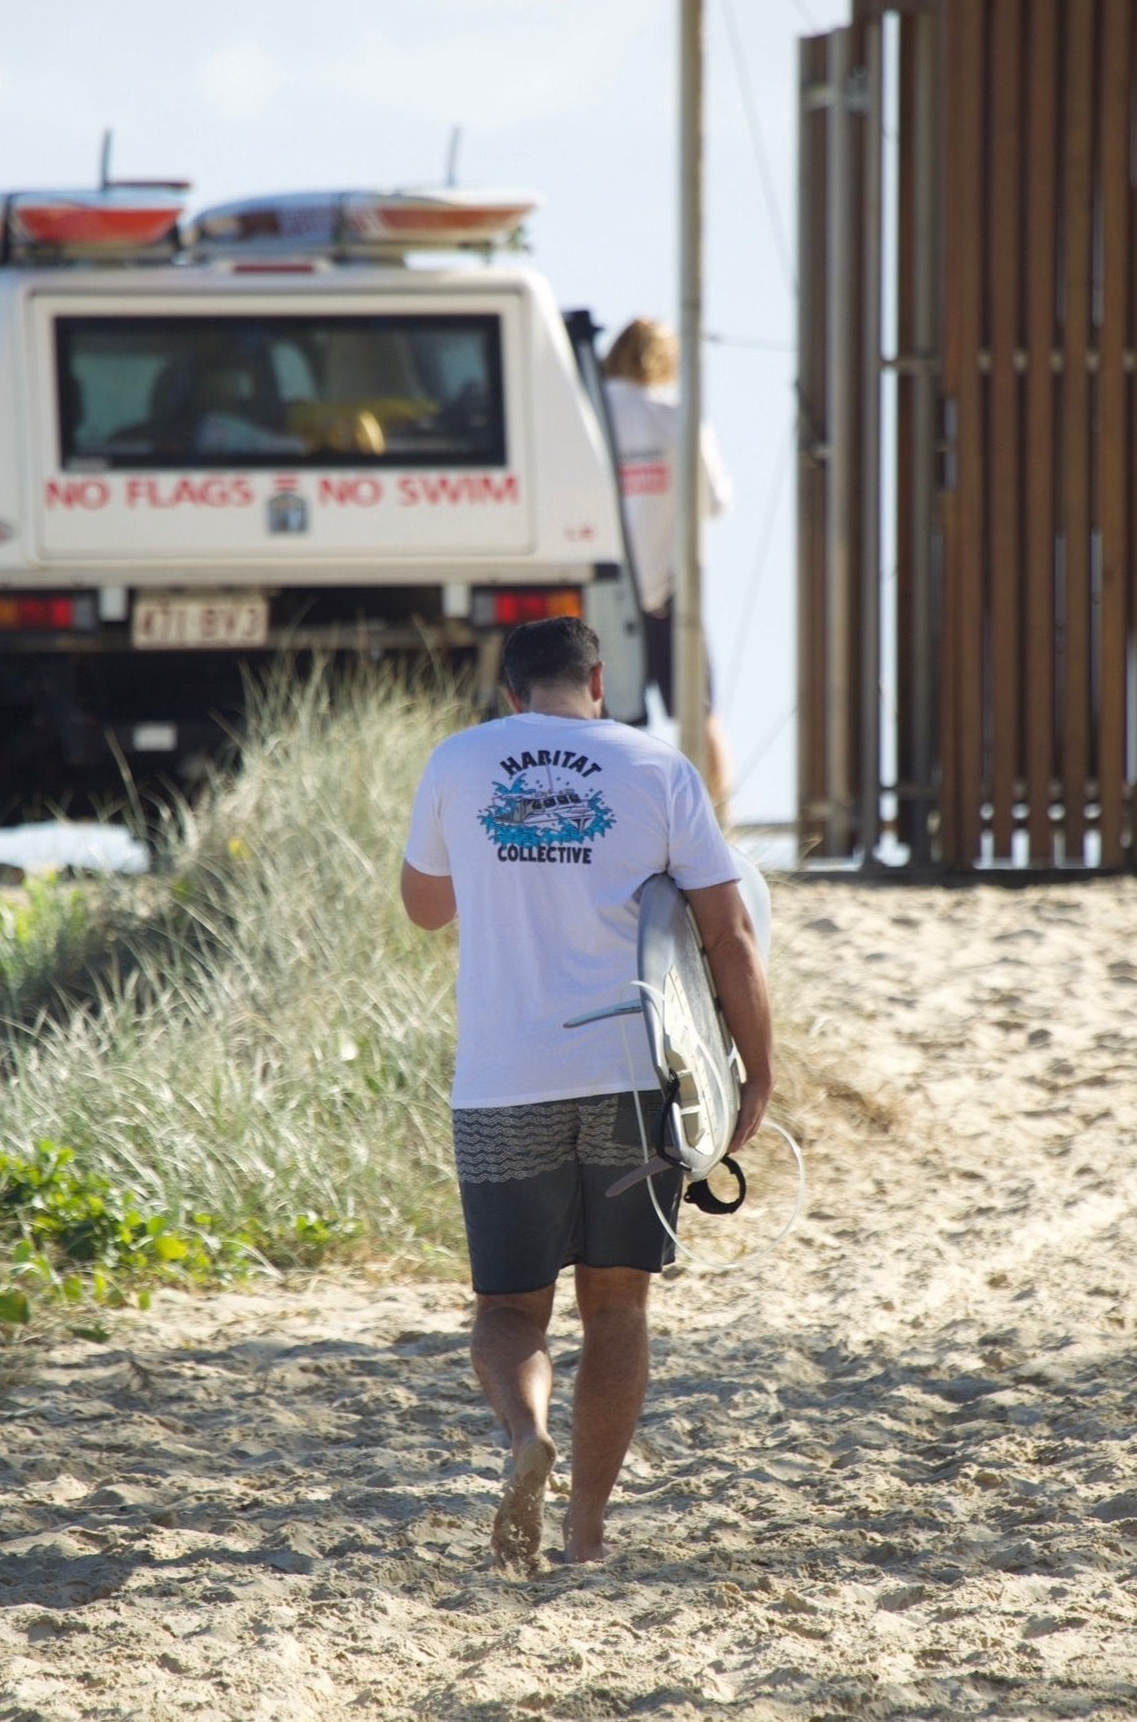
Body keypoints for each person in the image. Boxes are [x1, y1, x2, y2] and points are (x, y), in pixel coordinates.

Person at [400, 615, 773, 1568]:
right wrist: (756, 1073)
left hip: (501, 1083)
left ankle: (526, 1436)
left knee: (508, 1311)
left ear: (511, 691)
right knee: (617, 1308)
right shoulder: (658, 769)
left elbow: (424, 906)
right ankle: (586, 1530)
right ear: (597, 680)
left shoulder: (460, 760)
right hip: (628, 1082)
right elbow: (729, 937)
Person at [602, 317, 735, 823]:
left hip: (606, 590)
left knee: (603, 720)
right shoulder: (676, 416)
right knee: (699, 716)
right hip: (672, 588)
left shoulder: (588, 411)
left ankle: (615, 829)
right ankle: (720, 830)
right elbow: (717, 499)